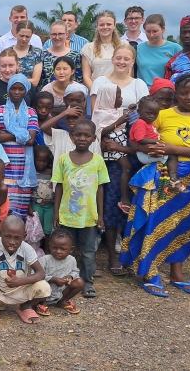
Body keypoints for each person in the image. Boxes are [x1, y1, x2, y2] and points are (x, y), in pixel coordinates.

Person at [120, 74, 190, 297]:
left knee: (181, 224)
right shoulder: (162, 114)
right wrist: (151, 149)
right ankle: (149, 271)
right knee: (154, 221)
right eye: (183, 93)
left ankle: (176, 273)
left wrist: (171, 149)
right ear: (176, 94)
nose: (189, 97)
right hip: (162, 174)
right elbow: (136, 140)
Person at [51, 118, 109, 298]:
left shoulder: (98, 161)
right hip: (67, 215)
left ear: (93, 139)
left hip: (88, 217)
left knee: (88, 251)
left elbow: (100, 188)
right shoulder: (63, 160)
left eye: (87, 135)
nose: (82, 138)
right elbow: (58, 187)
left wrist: (100, 215)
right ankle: (61, 282)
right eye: (78, 134)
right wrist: (56, 213)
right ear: (71, 136)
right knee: (64, 249)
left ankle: (87, 282)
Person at [0, 216, 50, 325]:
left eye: (17, 238)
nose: (12, 242)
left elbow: (41, 273)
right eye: (7, 236)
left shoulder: (27, 249)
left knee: (44, 287)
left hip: (20, 292)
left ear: (24, 236)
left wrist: (20, 281)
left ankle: (25, 306)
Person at [92, 83, 133, 274]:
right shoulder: (100, 114)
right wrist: (120, 120)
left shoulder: (120, 112)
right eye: (118, 95)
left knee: (125, 213)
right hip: (109, 166)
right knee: (111, 212)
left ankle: (127, 256)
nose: (121, 99)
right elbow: (100, 134)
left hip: (124, 162)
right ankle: (111, 257)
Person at [0, 74, 40, 220]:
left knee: (20, 211)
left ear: (26, 91)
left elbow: (31, 140)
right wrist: (21, 135)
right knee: (4, 208)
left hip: (23, 169)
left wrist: (7, 132)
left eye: (21, 89)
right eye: (13, 88)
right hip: (4, 166)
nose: (17, 92)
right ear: (8, 90)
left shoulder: (31, 112)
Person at [129, 96, 183, 192]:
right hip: (144, 154)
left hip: (147, 151)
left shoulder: (148, 123)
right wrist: (156, 141)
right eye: (149, 113)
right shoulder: (140, 123)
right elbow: (140, 139)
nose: (152, 116)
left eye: (155, 114)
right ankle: (174, 179)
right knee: (172, 155)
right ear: (138, 111)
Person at [37, 229, 83, 315]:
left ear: (71, 249)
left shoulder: (72, 260)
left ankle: (63, 301)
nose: (58, 251)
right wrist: (53, 279)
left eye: (63, 249)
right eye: (54, 248)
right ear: (50, 246)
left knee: (79, 282)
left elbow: (75, 271)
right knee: (38, 284)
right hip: (45, 292)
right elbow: (35, 275)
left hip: (61, 291)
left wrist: (70, 276)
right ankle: (41, 303)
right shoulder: (45, 260)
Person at [90, 44, 149, 110]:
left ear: (132, 62)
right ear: (112, 59)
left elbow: (143, 112)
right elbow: (95, 112)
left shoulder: (139, 84)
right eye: (118, 58)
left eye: (126, 59)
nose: (121, 62)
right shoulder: (100, 82)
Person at [136, 14, 182, 87]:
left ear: (163, 29)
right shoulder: (137, 49)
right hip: (143, 92)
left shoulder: (175, 48)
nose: (151, 35)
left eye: (155, 31)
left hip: (166, 92)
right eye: (148, 32)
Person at [81, 12, 122, 91]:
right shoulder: (88, 48)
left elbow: (129, 72)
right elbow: (86, 77)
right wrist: (96, 93)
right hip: (96, 91)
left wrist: (120, 92)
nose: (105, 27)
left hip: (120, 91)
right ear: (97, 26)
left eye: (109, 24)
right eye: (101, 25)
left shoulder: (124, 46)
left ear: (114, 26)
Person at [41, 21, 84, 89]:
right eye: (54, 34)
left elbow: (79, 81)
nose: (57, 37)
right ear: (50, 35)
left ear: (66, 34)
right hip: (46, 96)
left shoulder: (76, 56)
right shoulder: (41, 55)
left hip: (70, 96)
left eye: (60, 34)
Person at [31, 145, 55, 240]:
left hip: (50, 205)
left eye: (44, 161)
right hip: (36, 204)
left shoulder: (51, 172)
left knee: (48, 229)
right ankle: (38, 248)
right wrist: (29, 206)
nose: (41, 164)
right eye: (38, 160)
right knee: (37, 226)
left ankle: (47, 249)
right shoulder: (31, 172)